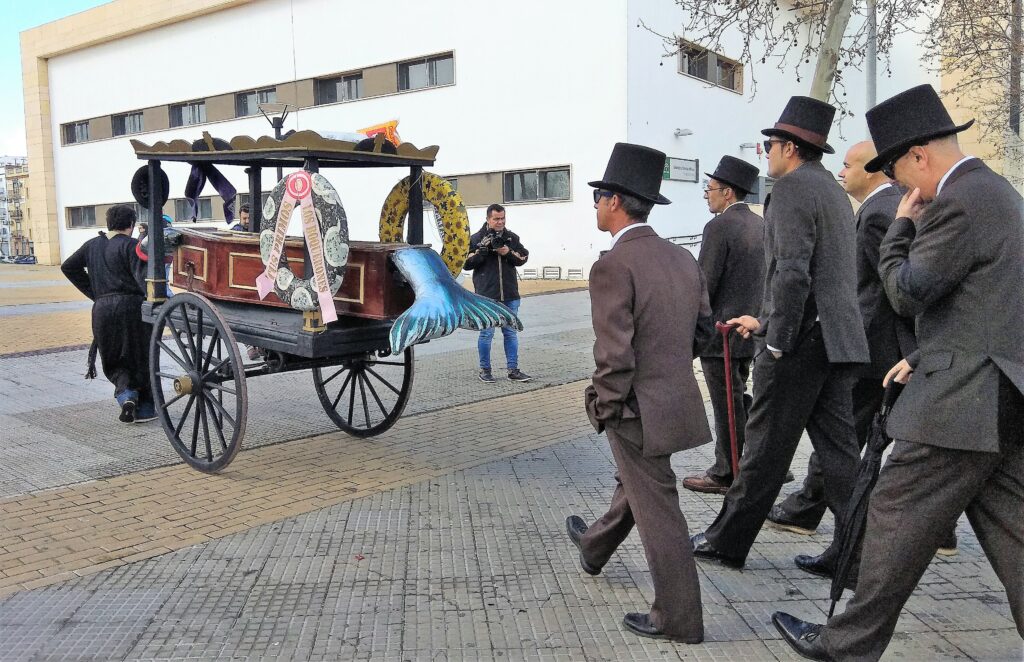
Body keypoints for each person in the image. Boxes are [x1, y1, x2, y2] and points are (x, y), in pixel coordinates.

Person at [773, 83, 1024, 662]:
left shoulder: (957, 200)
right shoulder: (998, 192)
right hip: (999, 392)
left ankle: (846, 645)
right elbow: (986, 301)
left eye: (901, 173)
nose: (905, 189)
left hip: (958, 403)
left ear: (918, 155)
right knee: (1014, 533)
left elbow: (908, 293)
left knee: (892, 514)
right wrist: (930, 352)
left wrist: (901, 231)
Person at [690, 96, 870, 578]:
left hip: (801, 344)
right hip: (836, 340)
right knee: (839, 455)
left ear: (788, 147)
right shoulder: (832, 191)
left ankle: (727, 540)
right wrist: (766, 322)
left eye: (769, 144)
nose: (765, 151)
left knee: (765, 444)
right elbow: (822, 271)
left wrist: (776, 340)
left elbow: (792, 273)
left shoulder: (790, 189)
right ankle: (856, 555)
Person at [565, 142, 713, 643]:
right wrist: (667, 373)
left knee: (659, 511)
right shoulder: (681, 258)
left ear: (613, 201)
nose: (595, 206)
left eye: (597, 197)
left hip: (634, 409)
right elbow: (703, 333)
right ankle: (594, 547)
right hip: (672, 402)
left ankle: (679, 618)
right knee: (640, 486)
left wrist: (604, 406)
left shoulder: (613, 265)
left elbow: (615, 355)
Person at [682, 156, 765, 495]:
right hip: (752, 329)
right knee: (742, 398)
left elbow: (705, 285)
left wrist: (690, 331)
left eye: (711, 188)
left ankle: (726, 471)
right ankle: (751, 460)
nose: (707, 195)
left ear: (728, 193)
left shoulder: (718, 227)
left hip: (722, 335)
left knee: (726, 404)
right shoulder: (760, 225)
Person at [61, 204, 156, 424]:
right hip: (132, 308)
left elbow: (68, 267)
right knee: (140, 356)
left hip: (102, 310)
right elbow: (144, 280)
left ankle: (126, 396)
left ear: (109, 223)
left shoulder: (92, 245)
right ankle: (144, 410)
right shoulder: (133, 246)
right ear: (131, 225)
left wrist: (94, 292)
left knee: (114, 358)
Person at [464, 204, 531, 383]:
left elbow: (523, 257)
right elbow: (465, 263)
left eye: (502, 218)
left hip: (510, 294)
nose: (500, 222)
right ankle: (485, 370)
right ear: (488, 219)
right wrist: (481, 253)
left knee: (510, 333)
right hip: (486, 295)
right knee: (486, 334)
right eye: (496, 219)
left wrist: (508, 252)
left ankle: (513, 370)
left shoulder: (511, 238)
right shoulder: (476, 238)